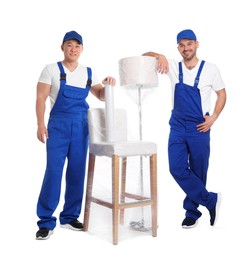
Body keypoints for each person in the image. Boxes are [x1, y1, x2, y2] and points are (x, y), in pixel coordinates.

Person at [35, 30, 116, 240]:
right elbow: (41, 98)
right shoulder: (51, 69)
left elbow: (99, 95)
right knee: (53, 171)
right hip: (58, 126)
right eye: (69, 45)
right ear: (62, 47)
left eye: (77, 46)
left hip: (81, 127)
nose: (73, 49)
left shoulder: (88, 72)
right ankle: (45, 221)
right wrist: (40, 124)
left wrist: (108, 85)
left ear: (82, 49)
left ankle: (70, 217)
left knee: (77, 172)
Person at [143, 29, 226, 228]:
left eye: (189, 44)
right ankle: (210, 199)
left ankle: (192, 212)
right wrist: (159, 55)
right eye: (181, 45)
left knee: (198, 170)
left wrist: (213, 118)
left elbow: (222, 94)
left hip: (200, 126)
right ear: (178, 48)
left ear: (197, 44)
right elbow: (143, 57)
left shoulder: (210, 69)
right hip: (178, 126)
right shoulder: (172, 66)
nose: (186, 48)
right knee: (176, 168)